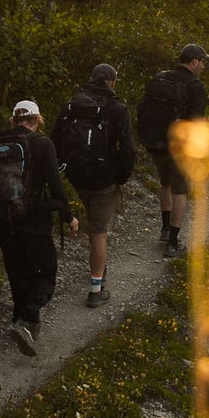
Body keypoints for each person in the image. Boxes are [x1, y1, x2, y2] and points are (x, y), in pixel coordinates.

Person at [0, 99, 77, 356]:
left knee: (17, 272)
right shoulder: (42, 143)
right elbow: (55, 184)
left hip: (4, 220)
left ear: (14, 119)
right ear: (37, 120)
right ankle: (25, 320)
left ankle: (22, 321)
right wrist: (69, 216)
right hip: (34, 221)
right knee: (46, 273)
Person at [52, 63, 136, 307]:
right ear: (112, 82)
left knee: (93, 223)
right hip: (104, 180)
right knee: (99, 232)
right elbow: (128, 147)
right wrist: (121, 176)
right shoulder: (117, 108)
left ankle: (99, 269)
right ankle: (96, 291)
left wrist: (63, 167)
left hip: (77, 177)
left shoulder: (71, 106)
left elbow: (54, 139)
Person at [136, 43, 209, 257]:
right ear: (194, 61)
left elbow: (143, 108)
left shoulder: (160, 78)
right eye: (203, 61)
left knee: (165, 182)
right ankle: (173, 243)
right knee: (181, 190)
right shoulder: (195, 87)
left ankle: (164, 228)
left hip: (154, 142)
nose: (204, 66)